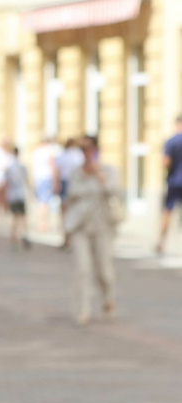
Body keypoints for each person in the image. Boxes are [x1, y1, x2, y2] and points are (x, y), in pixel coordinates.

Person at [64, 135, 122, 326]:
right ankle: (84, 309)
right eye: (82, 149)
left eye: (88, 149)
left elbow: (115, 192)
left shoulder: (108, 170)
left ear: (96, 150)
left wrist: (99, 175)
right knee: (82, 268)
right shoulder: (76, 173)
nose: (85, 153)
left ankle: (108, 299)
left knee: (104, 270)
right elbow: (70, 198)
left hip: (102, 225)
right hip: (80, 226)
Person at [156, 114, 182, 255]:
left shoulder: (171, 141)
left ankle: (161, 242)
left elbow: (166, 162)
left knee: (167, 212)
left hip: (174, 182)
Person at [54, 138, 85, 249]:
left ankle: (66, 238)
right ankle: (71, 238)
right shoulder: (79, 155)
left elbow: (56, 172)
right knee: (74, 211)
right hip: (75, 183)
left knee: (64, 213)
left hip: (65, 183)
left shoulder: (62, 155)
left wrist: (56, 186)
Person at [31, 135, 61, 232]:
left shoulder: (36, 152)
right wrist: (56, 180)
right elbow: (53, 166)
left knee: (41, 201)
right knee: (45, 202)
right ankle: (44, 224)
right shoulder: (49, 152)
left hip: (39, 179)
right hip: (47, 178)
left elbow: (33, 167)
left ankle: (41, 223)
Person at [4, 147, 31, 250]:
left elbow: (7, 182)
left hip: (13, 195)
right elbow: (27, 180)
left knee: (15, 218)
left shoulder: (10, 167)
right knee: (22, 217)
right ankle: (23, 235)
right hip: (20, 194)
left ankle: (14, 239)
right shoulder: (21, 166)